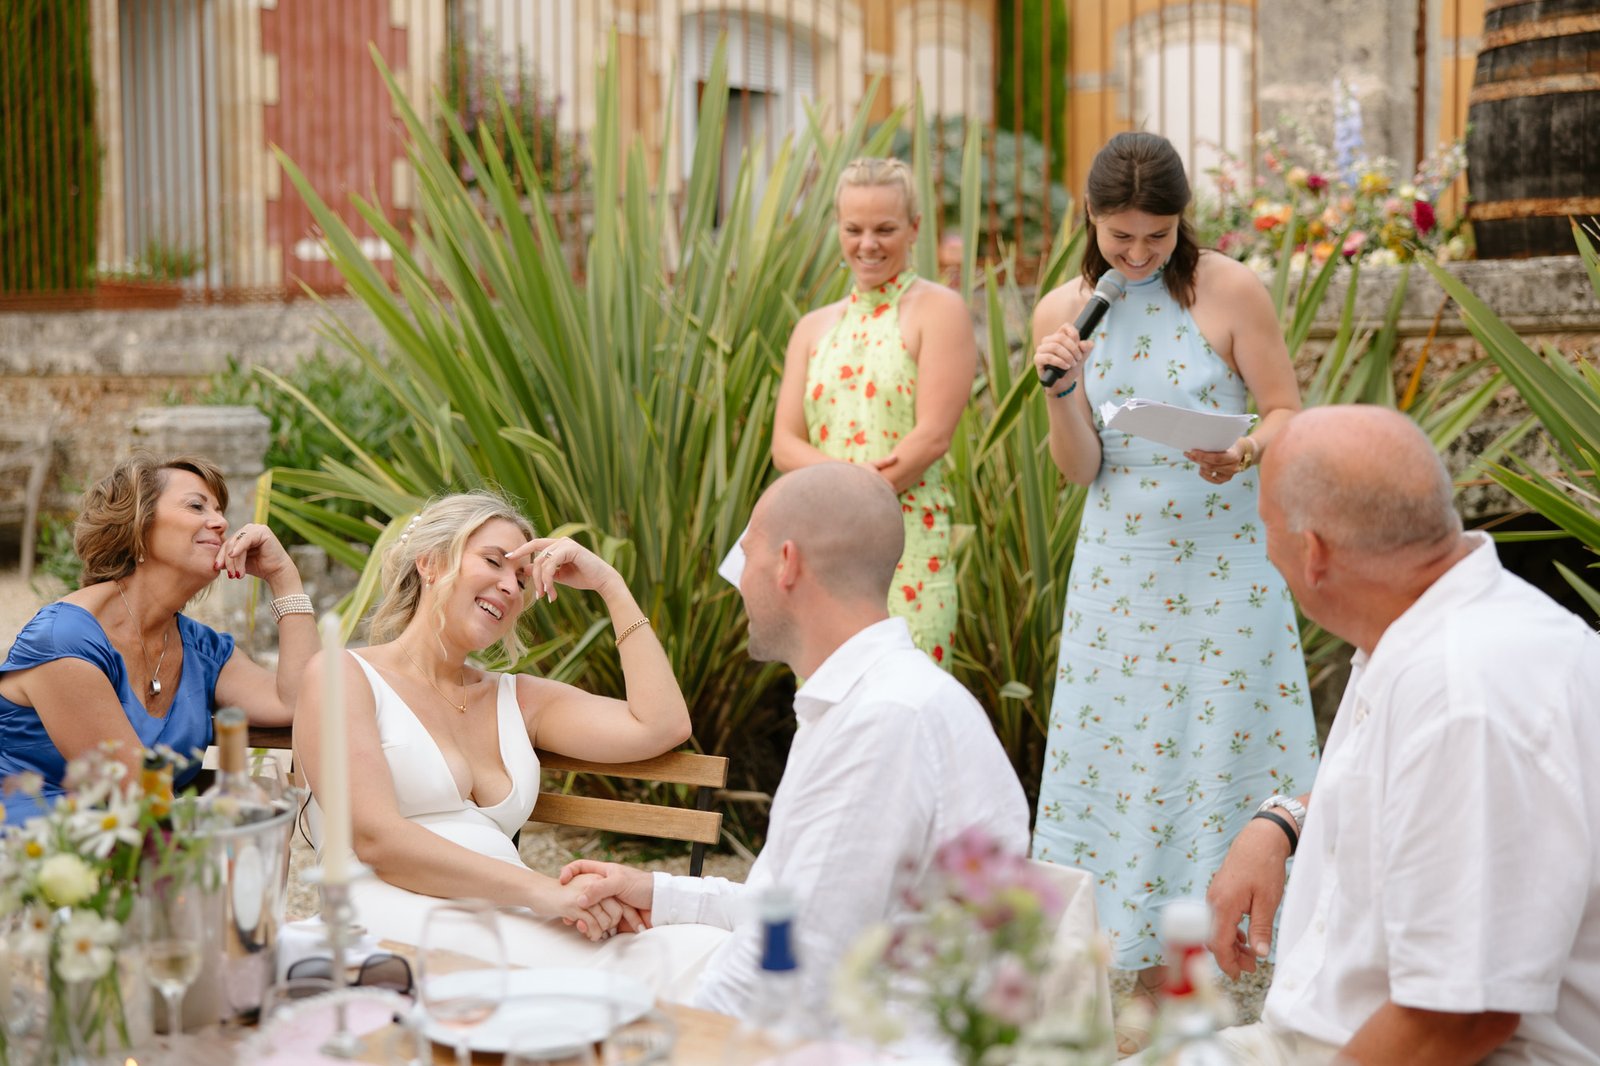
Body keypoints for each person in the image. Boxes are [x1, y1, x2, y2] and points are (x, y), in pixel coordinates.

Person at [1191, 405, 1600, 1064]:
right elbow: (1413, 800)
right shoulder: (1421, 623)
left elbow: (1455, 1022)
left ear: (1314, 553)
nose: (1266, 551)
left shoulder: (1466, 697)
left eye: (1265, 530)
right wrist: (1285, 820)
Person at [558, 462, 1030, 1021]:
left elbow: (789, 969)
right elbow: (787, 907)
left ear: (786, 563)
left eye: (745, 555)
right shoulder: (869, 701)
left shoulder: (883, 725)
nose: (737, 579)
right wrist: (658, 892)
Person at [1028, 132, 1320, 997]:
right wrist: (1061, 394)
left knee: (1222, 741)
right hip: (1120, 570)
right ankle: (1137, 959)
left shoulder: (1229, 288)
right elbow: (1082, 469)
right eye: (1123, 237)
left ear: (1182, 221)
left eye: (1157, 235)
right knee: (1125, 753)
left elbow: (1285, 410)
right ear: (1091, 220)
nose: (1141, 252)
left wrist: (1247, 449)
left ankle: (1250, 942)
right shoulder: (1064, 311)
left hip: (1228, 565)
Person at [293, 491, 726, 990]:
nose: (508, 586)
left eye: (521, 579)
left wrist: (611, 586)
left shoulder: (517, 700)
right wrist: (545, 892)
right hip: (389, 910)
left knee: (700, 949)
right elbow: (376, 840)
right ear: (431, 563)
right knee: (639, 976)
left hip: (508, 909)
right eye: (493, 562)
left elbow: (663, 726)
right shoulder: (343, 675)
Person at [0, 453, 316, 824]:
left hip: (156, 853)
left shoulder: (201, 650)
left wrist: (284, 577)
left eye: (219, 510)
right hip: (44, 858)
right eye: (196, 506)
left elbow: (297, 702)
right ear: (138, 525)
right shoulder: (64, 642)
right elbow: (140, 797)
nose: (221, 522)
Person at [770, 157, 978, 666]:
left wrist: (850, 490)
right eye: (854, 229)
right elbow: (784, 445)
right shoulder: (812, 329)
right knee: (827, 705)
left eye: (885, 228)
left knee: (910, 696)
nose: (868, 244)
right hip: (823, 548)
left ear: (914, 227)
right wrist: (850, 485)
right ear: (837, 229)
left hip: (908, 544)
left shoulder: (939, 310)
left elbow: (930, 439)